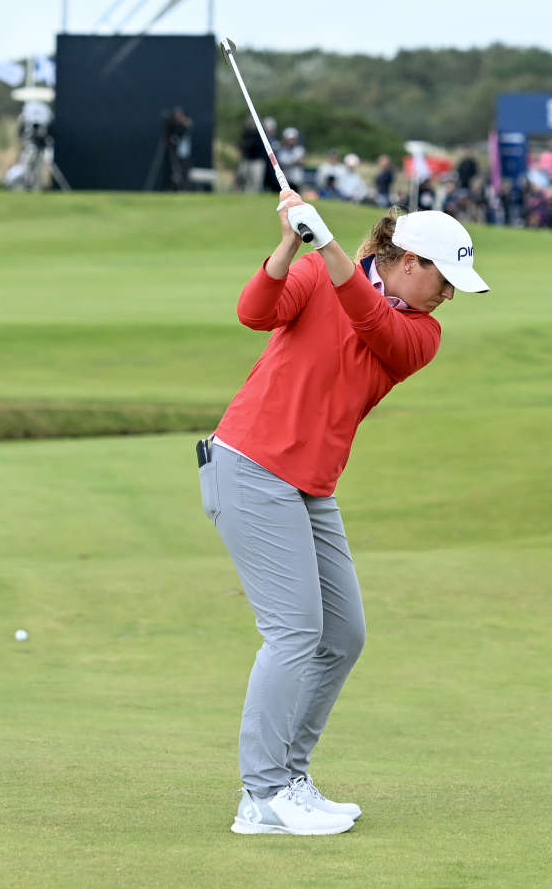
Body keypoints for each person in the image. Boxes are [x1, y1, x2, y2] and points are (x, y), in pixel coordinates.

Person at [200, 198, 489, 836]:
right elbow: (254, 313)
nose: (447, 295)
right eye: (443, 279)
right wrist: (288, 246)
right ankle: (263, 794)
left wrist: (332, 251)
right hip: (250, 464)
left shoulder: (421, 334)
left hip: (310, 484)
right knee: (296, 633)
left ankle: (290, 776)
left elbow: (372, 323)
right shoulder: (314, 274)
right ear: (409, 262)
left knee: (343, 636)